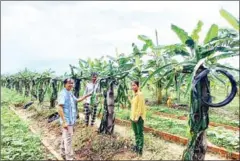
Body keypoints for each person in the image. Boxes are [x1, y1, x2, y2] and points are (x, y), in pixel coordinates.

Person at [58, 78, 91, 160]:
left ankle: (62, 152)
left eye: (72, 83)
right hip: (67, 121)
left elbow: (77, 100)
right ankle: (69, 158)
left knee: (65, 137)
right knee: (68, 139)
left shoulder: (70, 93)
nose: (71, 85)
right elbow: (59, 108)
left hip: (71, 120)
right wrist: (64, 122)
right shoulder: (63, 94)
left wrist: (86, 96)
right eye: (69, 83)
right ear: (65, 84)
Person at [129, 80, 146, 156]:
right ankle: (137, 146)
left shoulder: (140, 94)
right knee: (136, 133)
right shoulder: (134, 94)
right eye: (132, 85)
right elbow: (133, 104)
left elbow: (140, 107)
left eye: (134, 85)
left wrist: (137, 117)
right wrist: (129, 98)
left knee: (140, 133)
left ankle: (140, 149)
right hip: (133, 117)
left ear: (138, 86)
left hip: (138, 118)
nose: (133, 87)